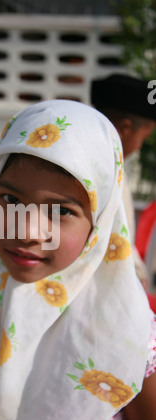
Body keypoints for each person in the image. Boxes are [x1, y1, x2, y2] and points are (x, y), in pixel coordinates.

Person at [0, 100, 156, 420]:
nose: (27, 231)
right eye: (9, 198)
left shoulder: (128, 330)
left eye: (60, 210)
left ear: (99, 224)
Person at [91, 74, 156, 290]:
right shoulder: (100, 172)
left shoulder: (114, 167)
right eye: (143, 138)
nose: (139, 147)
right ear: (125, 128)